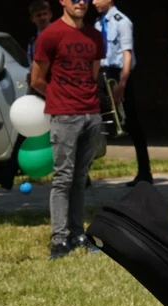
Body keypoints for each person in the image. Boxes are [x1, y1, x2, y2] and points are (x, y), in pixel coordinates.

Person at [32, 0, 105, 260]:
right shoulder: (50, 35)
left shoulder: (95, 36)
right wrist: (59, 98)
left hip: (90, 113)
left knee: (80, 177)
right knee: (63, 178)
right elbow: (37, 79)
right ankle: (59, 239)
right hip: (64, 115)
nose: (81, 2)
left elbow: (93, 74)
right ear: (62, 1)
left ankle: (77, 233)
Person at [0, 0, 53, 191]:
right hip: (37, 89)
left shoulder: (56, 36)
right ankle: (7, 176)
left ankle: (83, 176)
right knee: (25, 131)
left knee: (63, 133)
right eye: (38, 15)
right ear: (32, 19)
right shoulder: (34, 41)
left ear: (50, 14)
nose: (42, 18)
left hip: (52, 89)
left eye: (45, 14)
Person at [93, 0, 152, 186]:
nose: (93, 2)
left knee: (132, 122)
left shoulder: (122, 21)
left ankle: (145, 172)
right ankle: (83, 173)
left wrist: (123, 82)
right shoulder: (97, 23)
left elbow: (127, 53)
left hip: (118, 74)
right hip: (100, 74)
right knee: (90, 121)